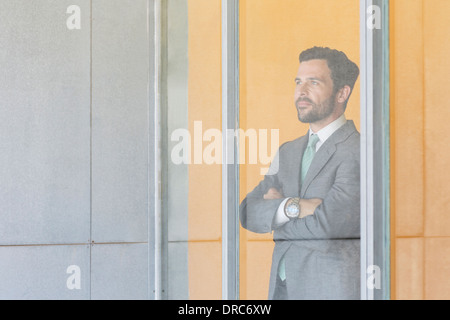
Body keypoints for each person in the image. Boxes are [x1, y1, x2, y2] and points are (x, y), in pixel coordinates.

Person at [239, 46, 360, 300]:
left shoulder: (359, 150)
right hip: (282, 290)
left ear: (342, 93)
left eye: (313, 82)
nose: (300, 92)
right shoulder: (288, 152)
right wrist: (293, 207)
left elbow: (328, 228)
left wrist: (277, 222)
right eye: (298, 82)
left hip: (329, 291)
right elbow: (248, 211)